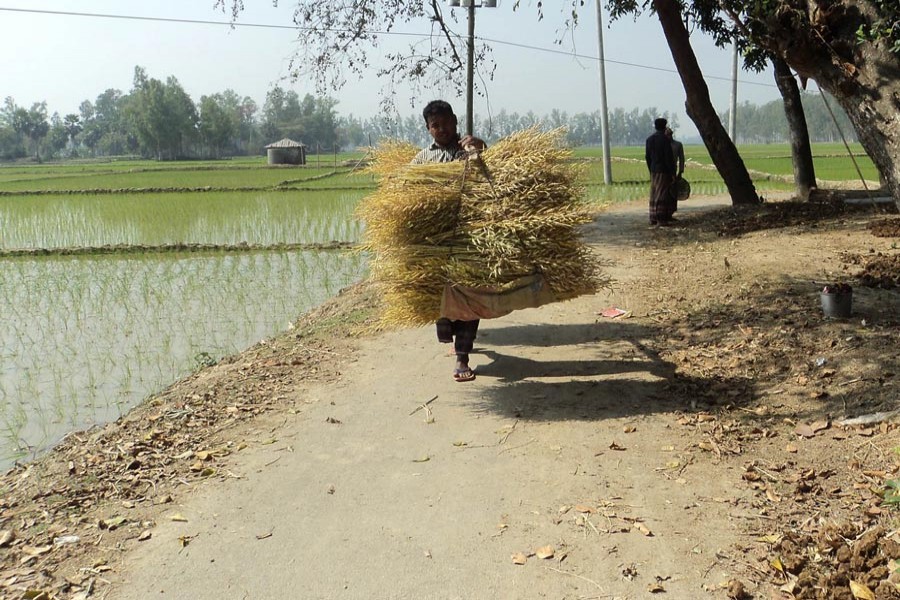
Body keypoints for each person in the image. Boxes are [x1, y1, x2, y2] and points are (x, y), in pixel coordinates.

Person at [411, 100, 487, 382]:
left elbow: (490, 175)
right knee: (441, 300)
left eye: (446, 123)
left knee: (469, 295)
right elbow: (408, 189)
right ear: (428, 129)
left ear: (456, 121)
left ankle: (462, 357)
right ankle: (453, 339)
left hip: (467, 235)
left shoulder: (469, 150)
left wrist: (480, 150)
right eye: (435, 126)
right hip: (436, 241)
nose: (441, 129)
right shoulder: (421, 159)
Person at [645, 117, 677, 226]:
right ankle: (661, 218)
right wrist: (672, 173)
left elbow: (647, 157)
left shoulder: (649, 139)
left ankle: (652, 217)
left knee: (654, 192)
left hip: (654, 169)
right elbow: (668, 158)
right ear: (664, 127)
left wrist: (650, 169)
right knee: (662, 193)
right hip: (663, 170)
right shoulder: (664, 140)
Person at [666, 126, 685, 215]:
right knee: (665, 192)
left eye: (669, 135)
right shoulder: (663, 145)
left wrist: (680, 171)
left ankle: (671, 212)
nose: (668, 136)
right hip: (664, 171)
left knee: (674, 192)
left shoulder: (677, 145)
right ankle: (665, 212)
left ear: (671, 135)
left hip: (674, 170)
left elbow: (682, 159)